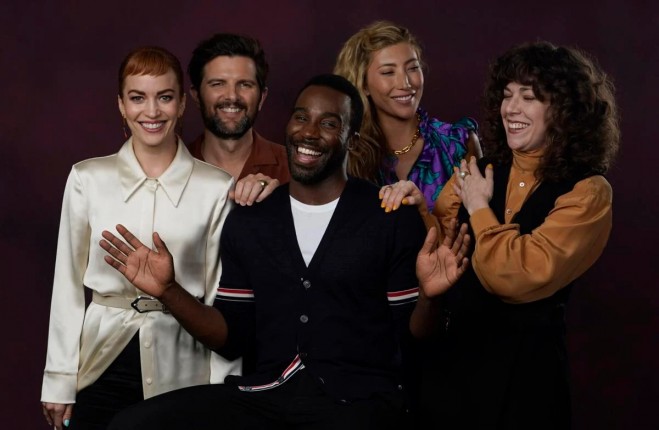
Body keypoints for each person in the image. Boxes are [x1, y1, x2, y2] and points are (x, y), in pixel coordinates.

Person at [99, 74, 470, 429]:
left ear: (352, 140)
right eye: (301, 117)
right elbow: (230, 339)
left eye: (329, 123)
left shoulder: (388, 216)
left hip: (358, 402)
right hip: (266, 397)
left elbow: (414, 339)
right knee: (134, 424)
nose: (309, 132)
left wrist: (431, 298)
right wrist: (169, 291)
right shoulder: (251, 220)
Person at [415, 41, 620, 429]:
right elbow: (436, 250)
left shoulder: (589, 192)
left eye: (528, 97)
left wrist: (479, 206)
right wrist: (415, 208)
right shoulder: (477, 169)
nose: (511, 108)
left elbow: (514, 277)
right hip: (453, 370)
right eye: (507, 95)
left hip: (529, 384)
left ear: (563, 109)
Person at [40, 46, 239, 430]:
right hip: (100, 362)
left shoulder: (216, 188)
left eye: (164, 97)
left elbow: (221, 298)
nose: (152, 111)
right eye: (137, 98)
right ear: (121, 104)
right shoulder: (87, 179)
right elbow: (66, 286)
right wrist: (59, 379)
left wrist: (226, 392)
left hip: (185, 367)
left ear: (182, 103)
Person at [334, 20, 482, 215]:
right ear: (364, 85)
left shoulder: (459, 143)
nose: (405, 83)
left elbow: (482, 219)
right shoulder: (346, 150)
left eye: (412, 68)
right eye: (388, 72)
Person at [187, 32, 290, 206]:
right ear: (196, 96)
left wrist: (278, 200)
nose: (232, 96)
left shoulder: (292, 169)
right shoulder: (172, 168)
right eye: (218, 84)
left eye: (245, 84)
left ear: (262, 97)